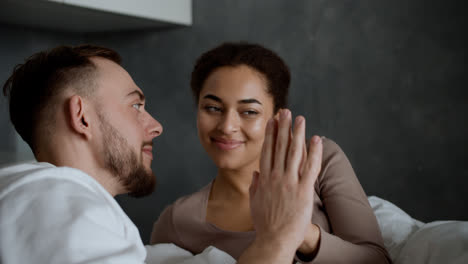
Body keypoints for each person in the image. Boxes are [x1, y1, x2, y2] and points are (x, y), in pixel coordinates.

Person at [0, 44, 323, 264]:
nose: (156, 126)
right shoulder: (53, 197)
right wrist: (279, 238)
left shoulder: (45, 203)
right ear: (82, 116)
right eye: (136, 105)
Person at [150, 42, 392, 263]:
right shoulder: (177, 221)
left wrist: (301, 232)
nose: (226, 126)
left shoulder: (319, 161)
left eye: (249, 112)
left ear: (276, 119)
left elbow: (378, 260)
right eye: (213, 108)